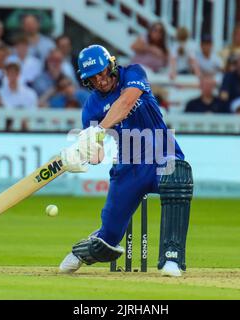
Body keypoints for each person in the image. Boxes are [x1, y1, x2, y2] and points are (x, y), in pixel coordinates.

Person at [59, 45, 193, 277]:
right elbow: (97, 155)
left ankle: (172, 257)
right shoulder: (91, 107)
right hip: (129, 167)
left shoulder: (133, 73)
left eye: (102, 73)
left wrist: (100, 129)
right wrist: (82, 152)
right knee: (109, 238)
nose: (101, 81)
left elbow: (126, 102)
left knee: (177, 177)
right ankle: (82, 251)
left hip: (163, 154)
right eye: (93, 78)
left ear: (111, 66)